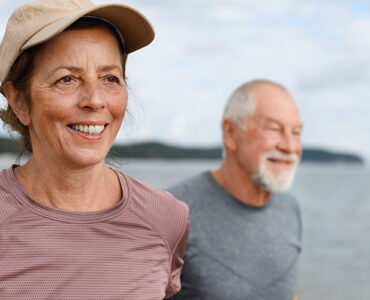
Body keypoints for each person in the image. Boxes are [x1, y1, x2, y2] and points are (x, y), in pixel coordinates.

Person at [0, 0, 189, 299]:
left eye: (110, 78)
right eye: (67, 79)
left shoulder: (167, 217)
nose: (95, 100)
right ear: (20, 102)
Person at [168, 79, 303, 300]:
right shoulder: (172, 210)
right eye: (274, 129)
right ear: (230, 133)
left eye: (296, 132)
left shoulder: (290, 208)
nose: (290, 146)